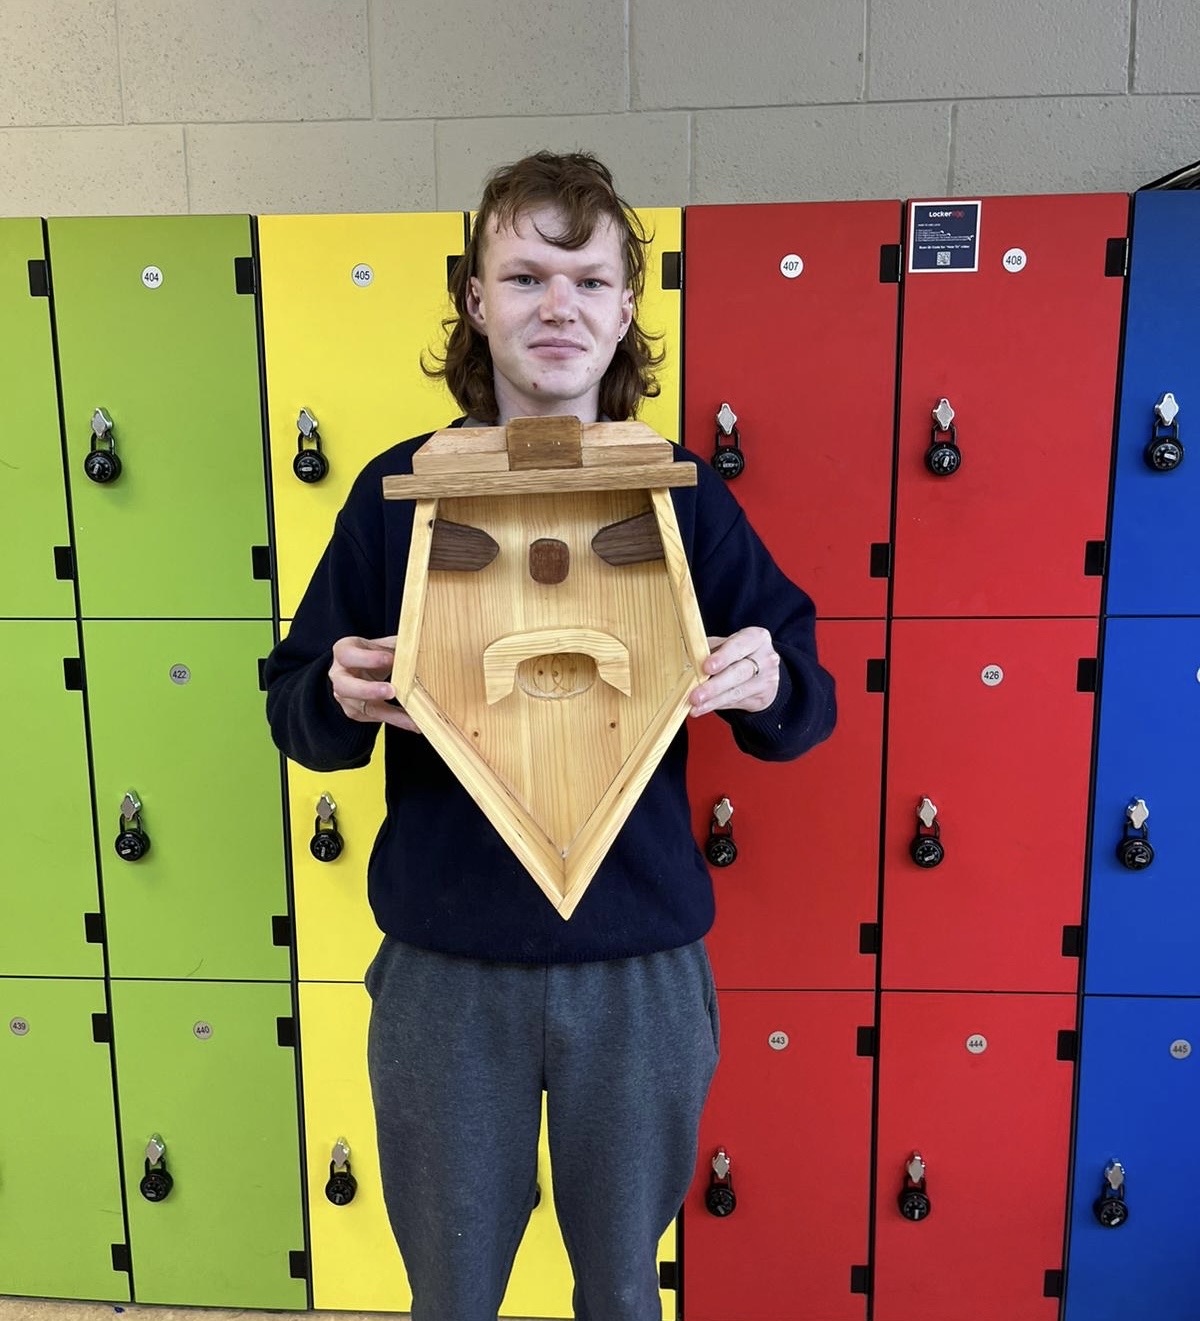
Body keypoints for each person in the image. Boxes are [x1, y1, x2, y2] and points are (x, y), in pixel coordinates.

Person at [264, 151, 836, 1321]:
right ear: (477, 300)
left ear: (627, 309)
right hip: (445, 974)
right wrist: (335, 690)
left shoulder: (680, 492)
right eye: (526, 277)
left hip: (636, 975)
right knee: (451, 1294)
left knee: (622, 1292)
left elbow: (802, 704)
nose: (558, 306)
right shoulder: (397, 490)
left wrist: (768, 678)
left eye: (588, 280)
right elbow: (298, 708)